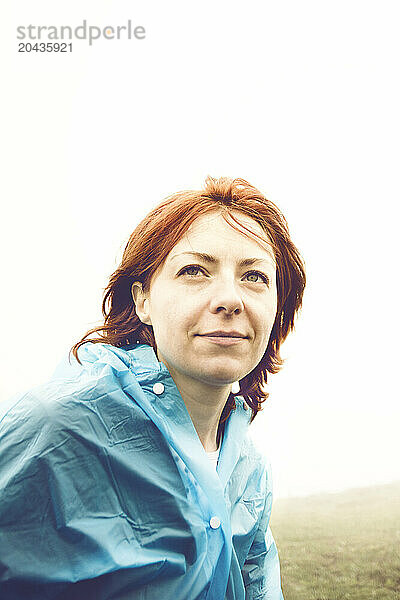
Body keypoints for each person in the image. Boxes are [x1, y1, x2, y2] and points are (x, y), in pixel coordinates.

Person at [0, 176, 306, 599]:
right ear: (143, 300)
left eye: (254, 276)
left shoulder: (248, 467)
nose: (230, 299)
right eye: (195, 271)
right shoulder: (55, 426)